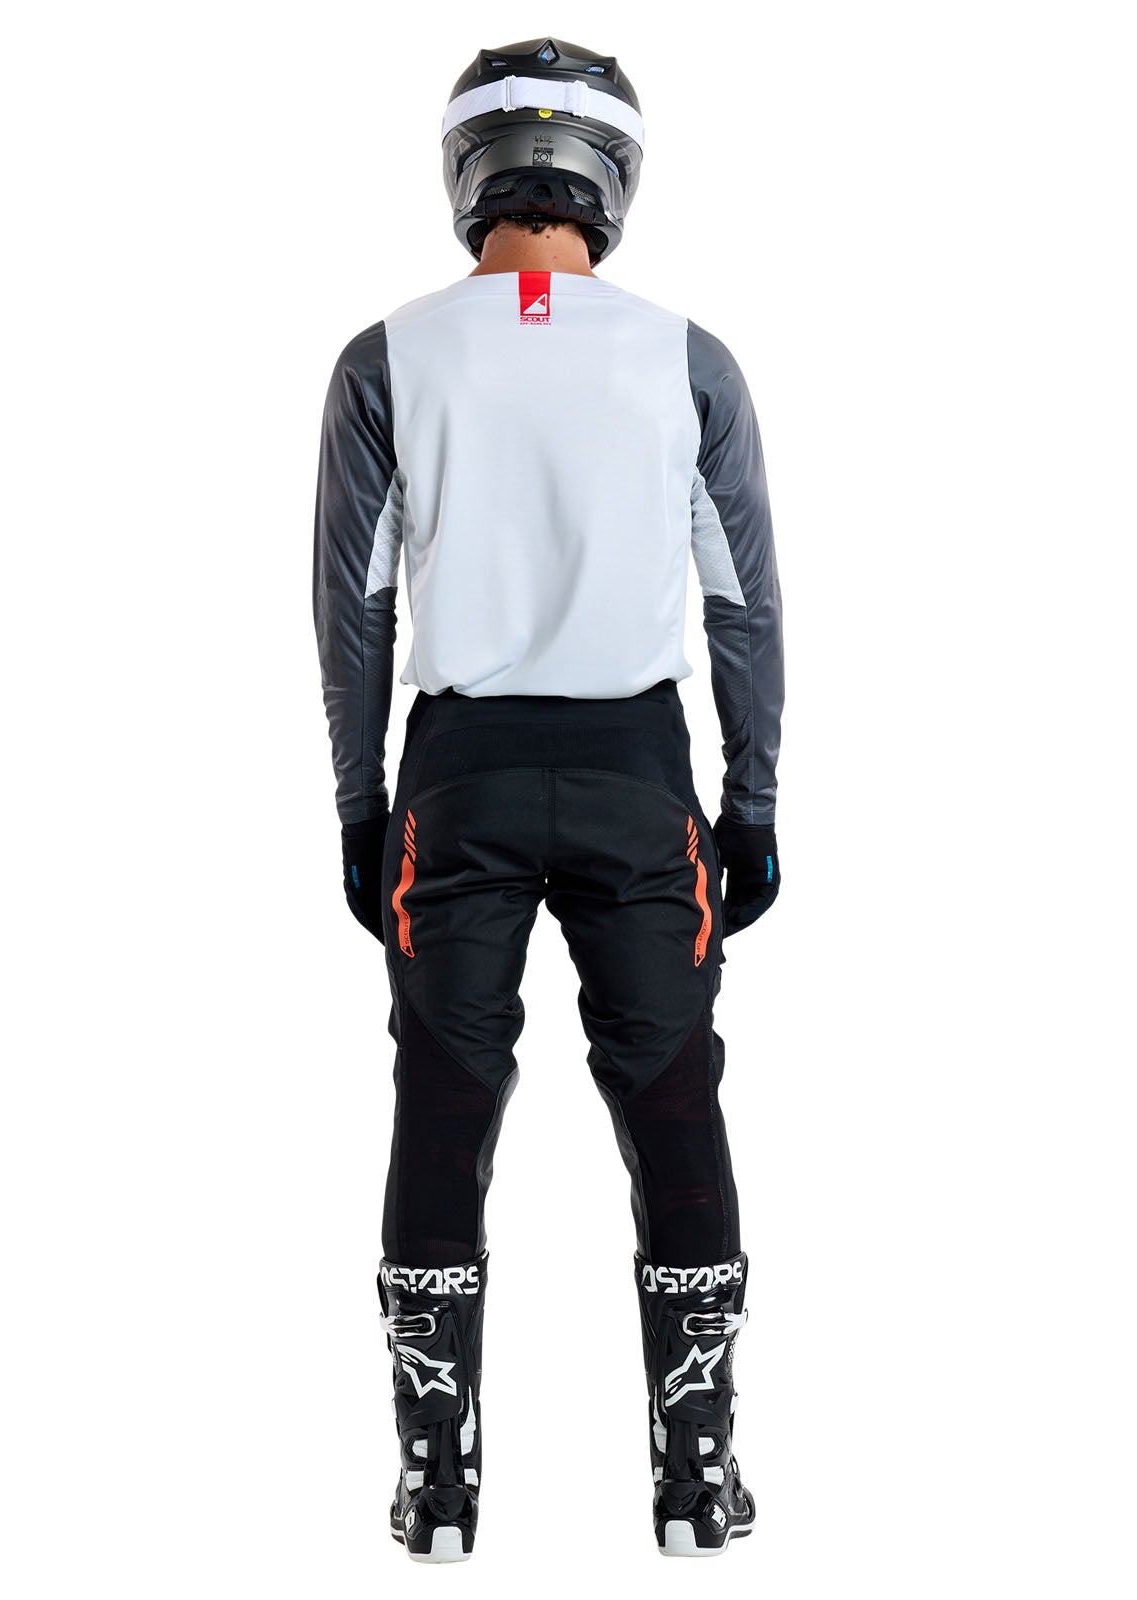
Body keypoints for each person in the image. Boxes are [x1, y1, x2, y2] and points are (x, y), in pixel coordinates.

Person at [312, 38, 784, 1562]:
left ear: (467, 173)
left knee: (444, 1102)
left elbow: (356, 610)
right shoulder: (687, 358)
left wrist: (361, 808)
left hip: (457, 778)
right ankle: (696, 1480)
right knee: (672, 1096)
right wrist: (753, 802)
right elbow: (743, 607)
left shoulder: (388, 357)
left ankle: (436, 1488)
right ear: (613, 177)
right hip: (640, 777)